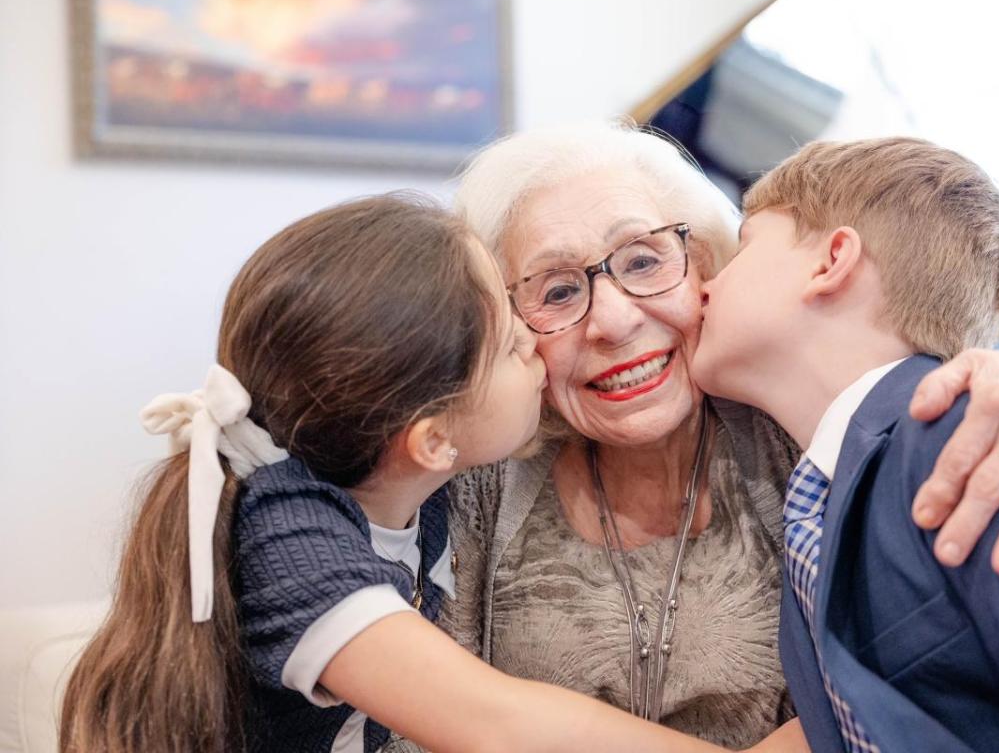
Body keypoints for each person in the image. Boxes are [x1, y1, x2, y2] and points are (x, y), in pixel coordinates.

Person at [384, 123, 999, 750]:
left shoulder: (822, 439)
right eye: (557, 291)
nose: (614, 320)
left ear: (706, 262)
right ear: (504, 326)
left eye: (642, 262)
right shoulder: (473, 473)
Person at [58, 192, 809, 753]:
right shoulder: (289, 545)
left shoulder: (405, 485)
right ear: (432, 441)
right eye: (521, 342)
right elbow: (502, 724)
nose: (544, 355)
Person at [693, 137, 999, 751]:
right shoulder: (825, 501)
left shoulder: (990, 434)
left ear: (831, 261)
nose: (706, 289)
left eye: (743, 248)